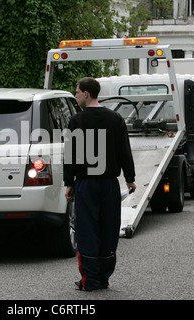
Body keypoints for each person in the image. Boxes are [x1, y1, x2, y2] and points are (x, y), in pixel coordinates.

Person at [64, 77, 136, 291]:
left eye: (77, 92)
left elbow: (71, 156)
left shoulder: (76, 121)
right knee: (108, 228)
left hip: (86, 184)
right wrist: (130, 178)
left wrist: (70, 183)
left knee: (87, 229)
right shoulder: (115, 119)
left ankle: (90, 278)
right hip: (109, 184)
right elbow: (124, 149)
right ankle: (103, 276)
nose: (75, 96)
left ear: (86, 93)